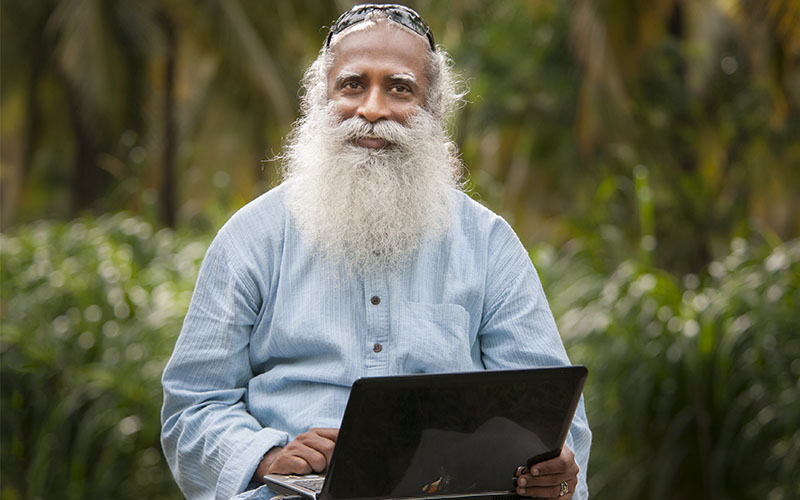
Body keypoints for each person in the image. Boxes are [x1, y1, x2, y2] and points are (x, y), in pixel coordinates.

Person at [160, 4, 591, 500]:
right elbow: (192, 408)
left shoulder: (488, 244)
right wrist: (263, 457)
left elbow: (558, 424)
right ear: (322, 99)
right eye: (352, 85)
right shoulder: (252, 238)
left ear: (432, 109)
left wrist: (553, 478)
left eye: (399, 88)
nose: (372, 108)